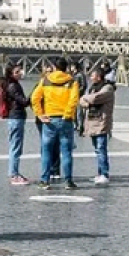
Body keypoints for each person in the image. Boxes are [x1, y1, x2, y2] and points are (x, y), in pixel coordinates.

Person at [31, 57, 80, 190]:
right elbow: (74, 99)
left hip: (49, 119)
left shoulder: (45, 80)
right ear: (66, 68)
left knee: (46, 151)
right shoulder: (71, 81)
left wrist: (40, 114)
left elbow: (34, 98)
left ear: (54, 67)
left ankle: (45, 180)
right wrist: (67, 114)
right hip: (66, 120)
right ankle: (68, 181)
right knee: (66, 152)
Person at [80, 68, 116, 185]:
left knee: (101, 149)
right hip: (92, 121)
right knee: (97, 149)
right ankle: (100, 173)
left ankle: (105, 174)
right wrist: (86, 99)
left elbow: (95, 98)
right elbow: (82, 101)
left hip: (102, 122)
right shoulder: (93, 88)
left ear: (99, 77)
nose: (90, 78)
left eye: (92, 76)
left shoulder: (107, 88)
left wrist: (86, 98)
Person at [2, 63, 31, 185]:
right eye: (17, 71)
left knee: (16, 146)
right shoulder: (13, 86)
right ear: (11, 74)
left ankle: (15, 173)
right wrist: (34, 93)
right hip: (16, 117)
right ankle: (14, 174)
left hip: (16, 117)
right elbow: (23, 102)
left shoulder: (13, 84)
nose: (21, 73)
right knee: (15, 147)